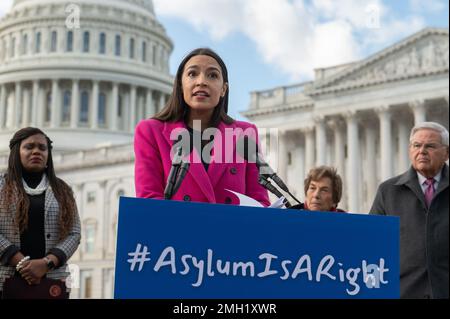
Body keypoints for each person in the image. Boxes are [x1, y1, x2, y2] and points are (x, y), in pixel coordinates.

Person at [134, 48, 270, 206]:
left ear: (223, 89)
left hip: (231, 230)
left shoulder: (245, 134)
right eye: (192, 74)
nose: (201, 81)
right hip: (177, 229)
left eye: (212, 75)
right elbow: (148, 200)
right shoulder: (151, 131)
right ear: (180, 84)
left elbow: (259, 202)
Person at [370, 122, 449, 299]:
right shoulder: (388, 191)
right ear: (410, 150)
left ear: (447, 153)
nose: (422, 151)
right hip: (404, 292)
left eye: (430, 146)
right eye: (416, 145)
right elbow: (372, 243)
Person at [0, 127, 81, 299]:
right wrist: (22, 262)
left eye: (42, 148)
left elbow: (74, 233)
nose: (36, 151)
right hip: (6, 279)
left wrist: (46, 263)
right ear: (16, 152)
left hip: (52, 281)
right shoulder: (1, 186)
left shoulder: (62, 190)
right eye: (29, 147)